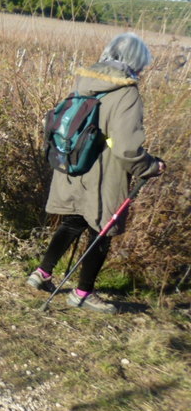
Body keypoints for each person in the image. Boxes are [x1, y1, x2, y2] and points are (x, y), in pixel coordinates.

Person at [25, 32, 165, 314]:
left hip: (73, 166)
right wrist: (149, 166)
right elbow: (126, 148)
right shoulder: (126, 93)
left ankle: (41, 274)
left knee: (74, 220)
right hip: (103, 174)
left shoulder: (86, 82)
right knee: (102, 229)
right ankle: (82, 293)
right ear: (137, 61)